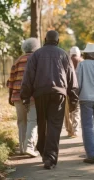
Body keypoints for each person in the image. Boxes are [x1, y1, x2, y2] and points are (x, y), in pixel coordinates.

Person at [20, 30, 78, 169]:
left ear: (45, 39)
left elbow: (28, 76)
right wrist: (73, 99)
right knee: (55, 125)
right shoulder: (63, 54)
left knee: (42, 123)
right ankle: (50, 158)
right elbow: (72, 78)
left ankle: (43, 151)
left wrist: (25, 96)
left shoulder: (36, 55)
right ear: (57, 41)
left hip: (41, 93)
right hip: (59, 94)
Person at [7, 38, 40, 157]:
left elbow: (11, 80)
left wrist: (10, 96)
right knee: (33, 120)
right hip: (32, 96)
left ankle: (22, 147)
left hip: (17, 96)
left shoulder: (17, 61)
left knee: (21, 122)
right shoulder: (37, 59)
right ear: (36, 48)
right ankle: (29, 146)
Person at [65, 46, 83, 138]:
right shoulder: (81, 61)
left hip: (67, 88)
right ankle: (75, 130)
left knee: (67, 110)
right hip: (78, 88)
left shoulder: (66, 60)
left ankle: (69, 130)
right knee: (76, 109)